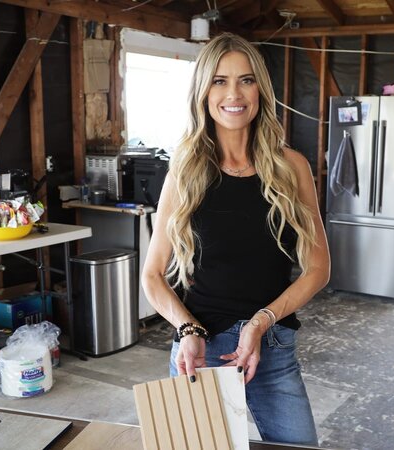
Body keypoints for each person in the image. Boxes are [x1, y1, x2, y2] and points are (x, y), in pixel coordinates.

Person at [141, 32, 330, 446]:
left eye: (246, 80)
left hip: (273, 343)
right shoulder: (185, 171)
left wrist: (261, 323)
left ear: (260, 88)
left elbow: (318, 269)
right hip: (200, 348)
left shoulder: (291, 167)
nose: (234, 94)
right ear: (203, 91)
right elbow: (153, 275)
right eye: (219, 81)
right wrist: (188, 330)